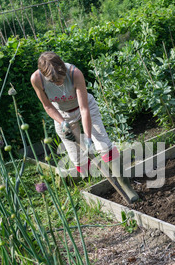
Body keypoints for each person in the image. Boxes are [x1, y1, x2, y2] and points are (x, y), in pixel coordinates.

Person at [30, 51, 138, 202]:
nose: (59, 83)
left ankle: (125, 185)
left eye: (61, 79)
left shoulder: (75, 73)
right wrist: (63, 123)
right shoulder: (37, 79)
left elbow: (84, 109)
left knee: (103, 145)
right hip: (62, 114)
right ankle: (99, 184)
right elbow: (47, 106)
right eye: (54, 82)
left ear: (63, 68)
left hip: (86, 108)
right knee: (77, 158)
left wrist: (88, 138)